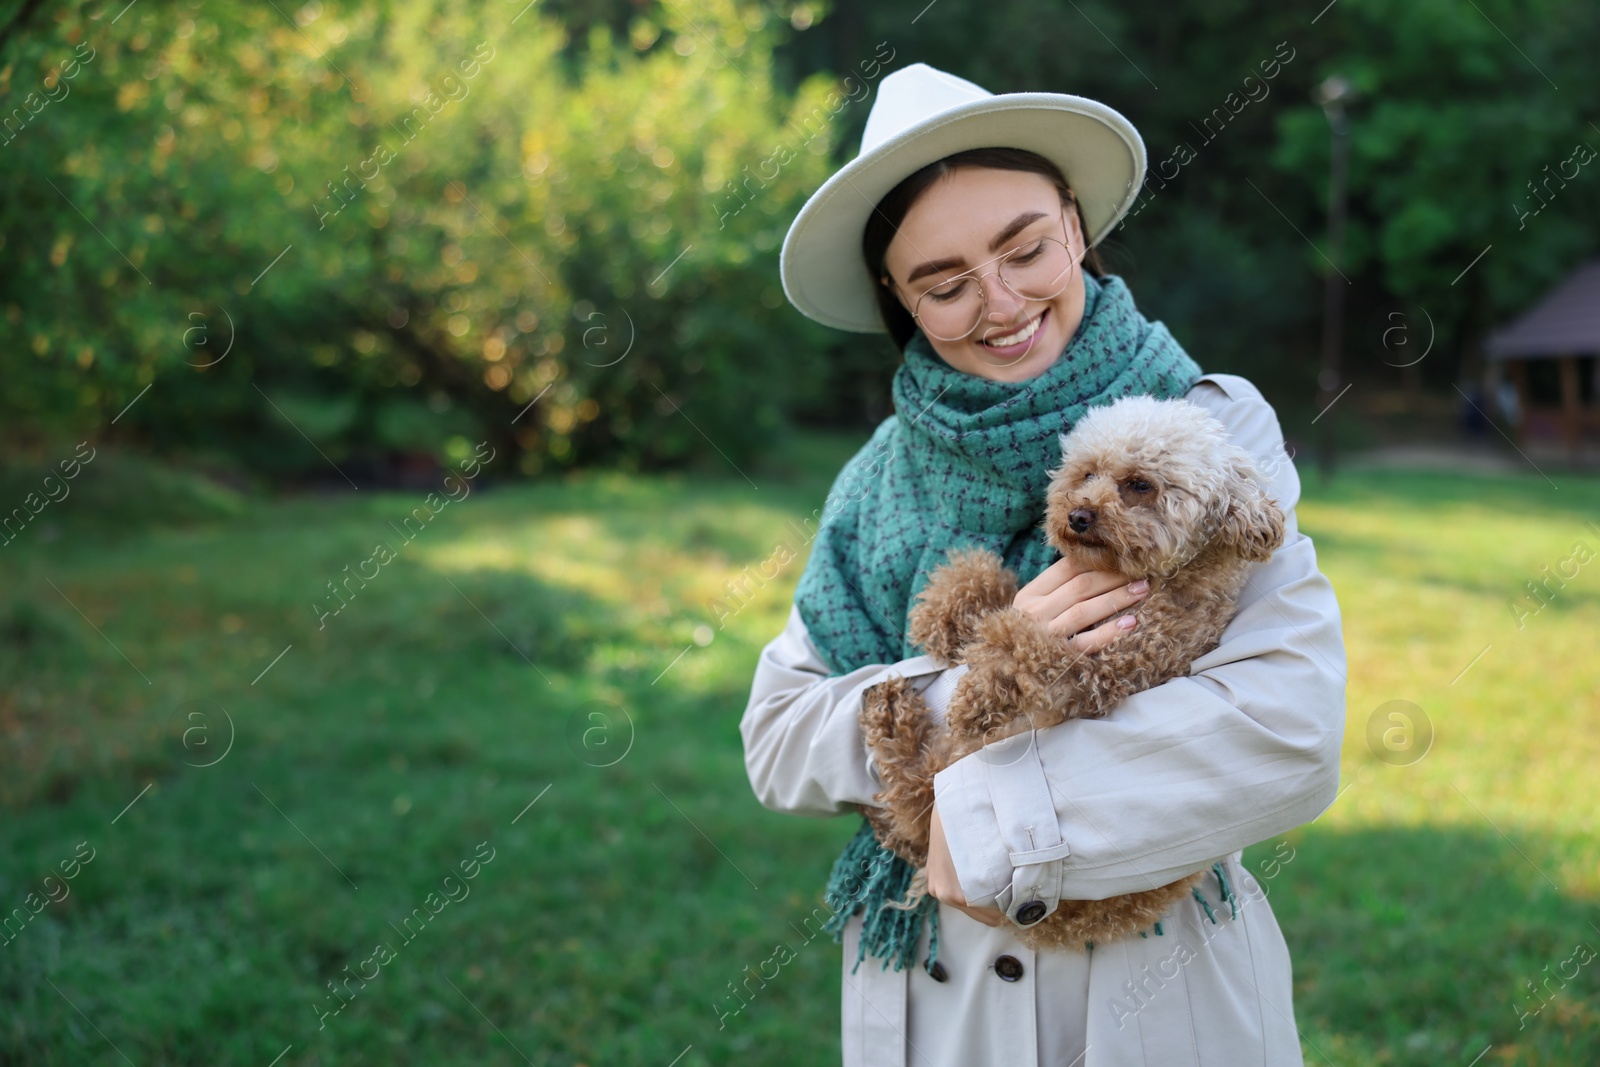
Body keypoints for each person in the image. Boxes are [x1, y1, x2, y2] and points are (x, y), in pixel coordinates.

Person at [740, 62, 1346, 1066]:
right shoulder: (872, 486)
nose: (1000, 301)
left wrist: (985, 819)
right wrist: (973, 681)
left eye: (1025, 248)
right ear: (897, 297)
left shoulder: (1207, 425)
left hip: (1150, 990)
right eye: (943, 284)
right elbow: (774, 734)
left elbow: (1287, 725)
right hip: (933, 999)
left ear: (1073, 224)